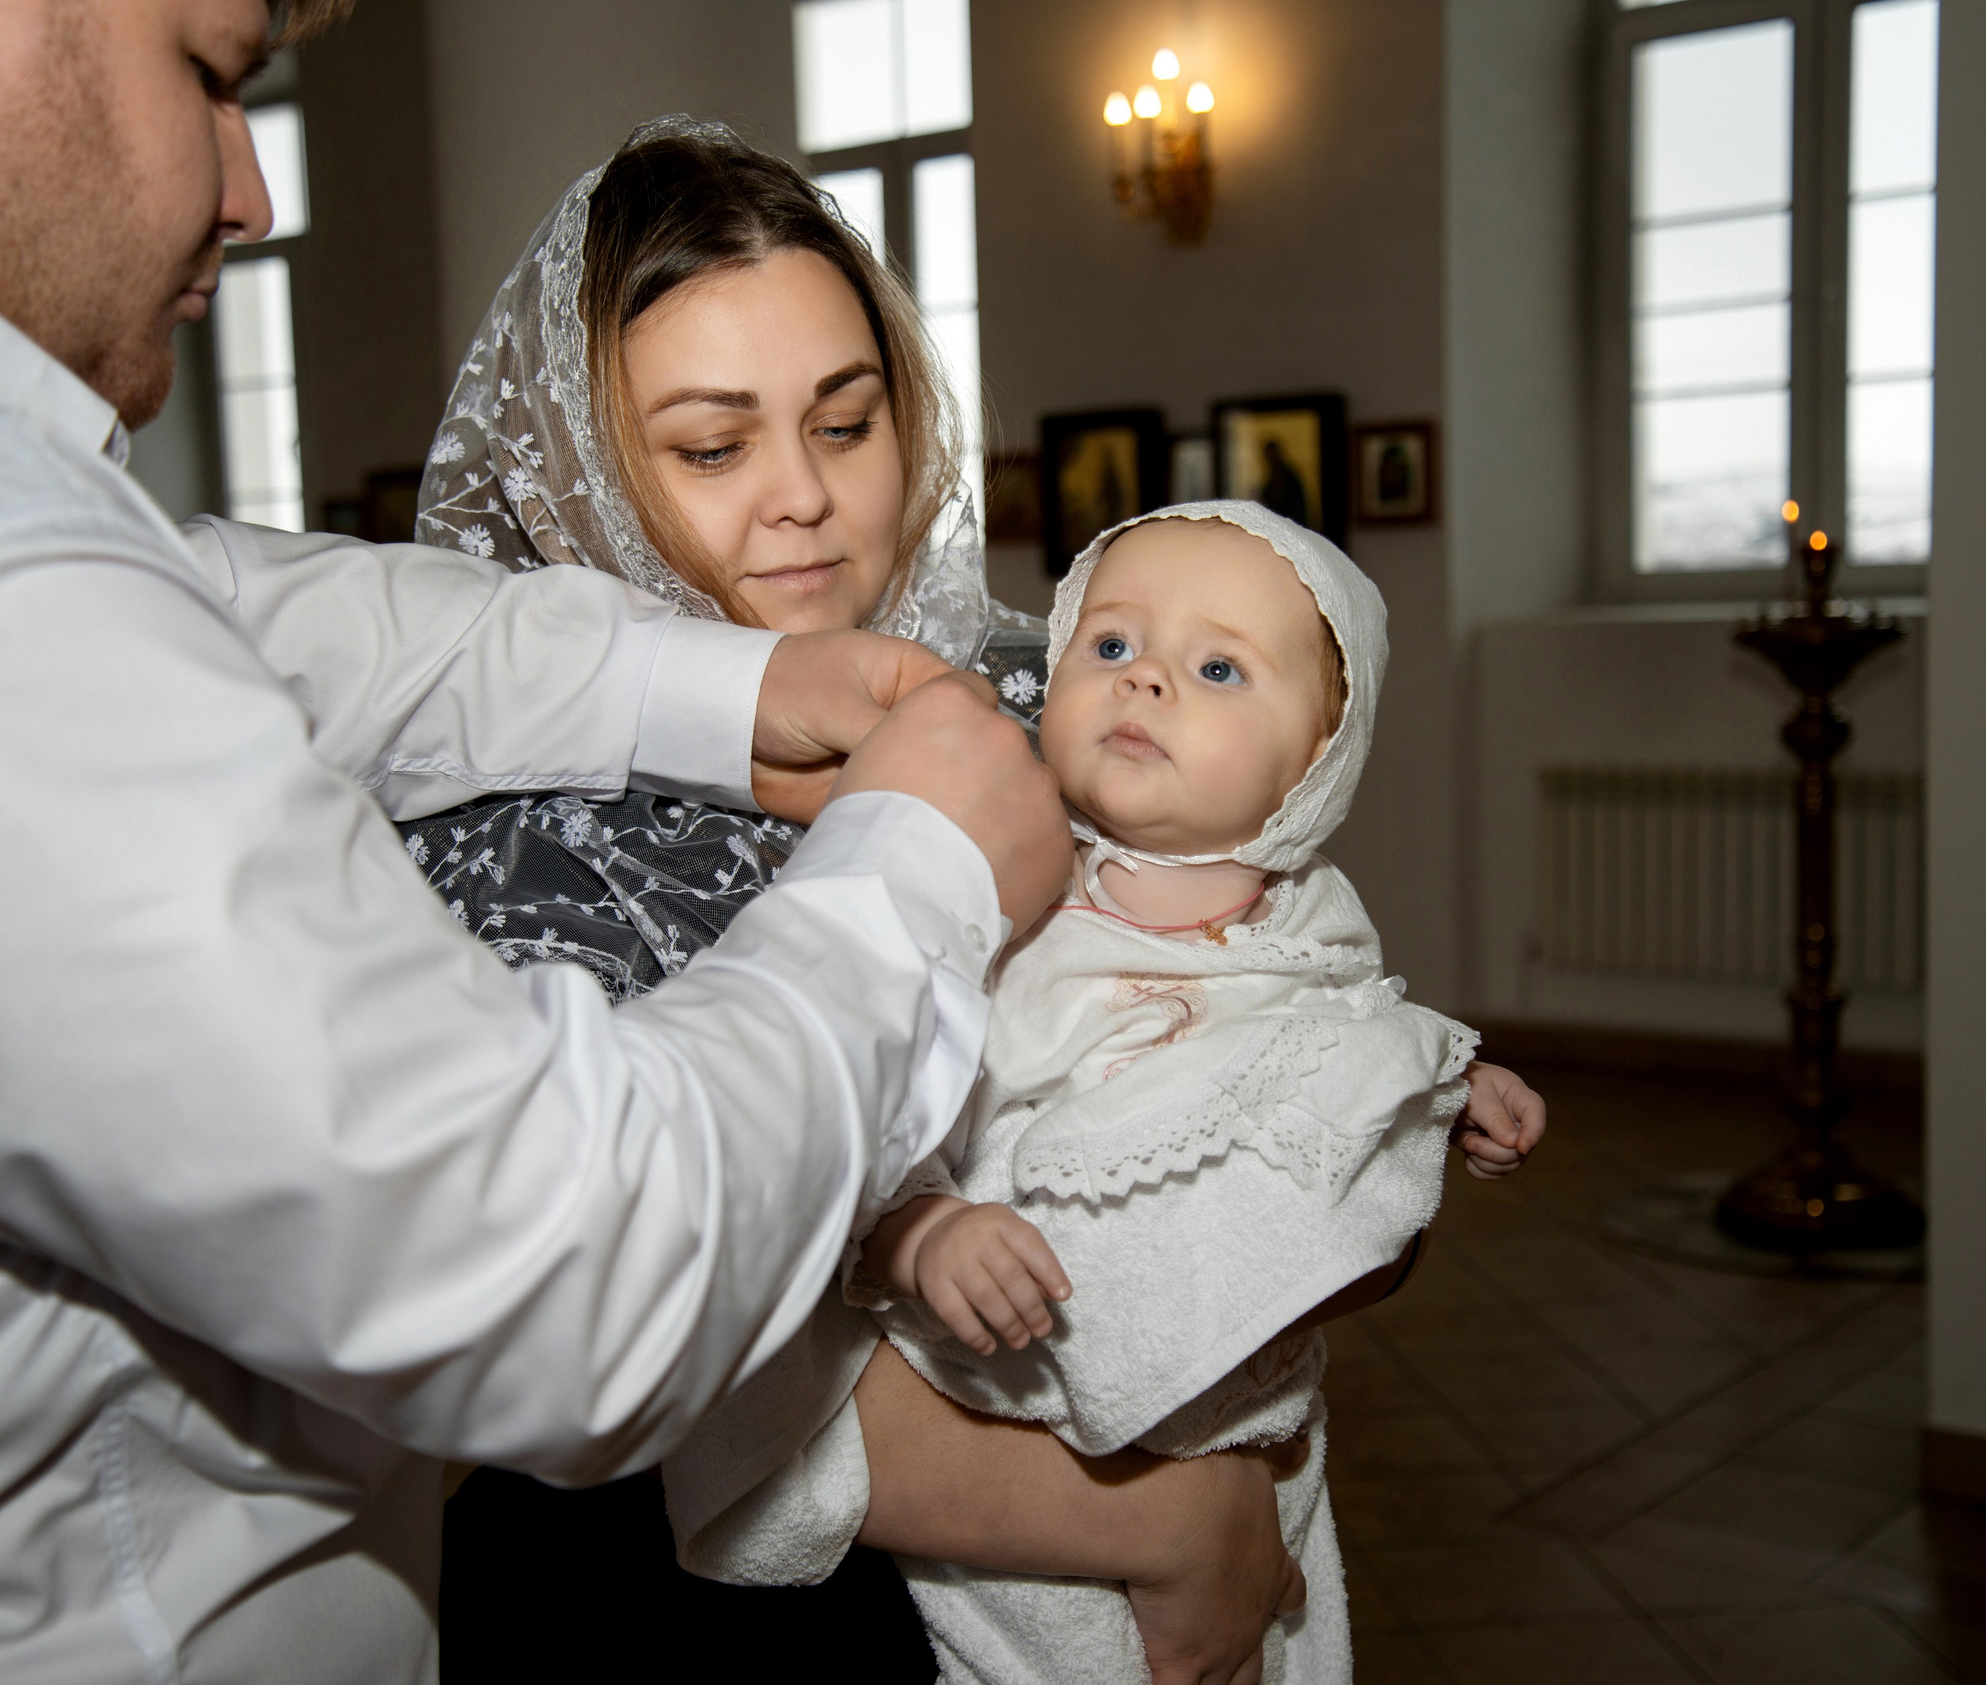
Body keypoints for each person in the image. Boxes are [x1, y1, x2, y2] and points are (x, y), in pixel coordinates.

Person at [0, 3, 1260, 1679]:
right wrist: (924, 866)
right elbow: (566, 1275)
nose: (250, 189)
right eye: (210, 72)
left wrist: (738, 692)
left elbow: (269, 609)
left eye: (843, 418)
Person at [395, 121, 1319, 1682]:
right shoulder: (511, 844)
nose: (805, 499)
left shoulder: (1049, 686)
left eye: (845, 420)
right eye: (712, 448)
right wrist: (1157, 1521)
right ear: (575, 474)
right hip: (715, 1606)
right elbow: (633, 1320)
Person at [688, 503, 1545, 1683]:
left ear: (1317, 756)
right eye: (1110, 644)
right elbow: (887, 1078)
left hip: (1239, 1420)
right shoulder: (998, 881)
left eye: (1217, 667)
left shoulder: (1311, 919)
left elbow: (1346, 1045)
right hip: (1002, 1401)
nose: (1143, 678)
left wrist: (1442, 1090)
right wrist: (919, 1225)